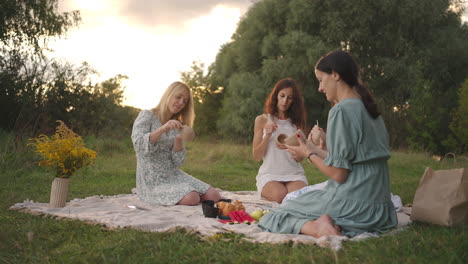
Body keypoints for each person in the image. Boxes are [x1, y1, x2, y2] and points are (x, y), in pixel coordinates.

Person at [259, 50, 398, 238]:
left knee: (275, 216)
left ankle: (319, 227)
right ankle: (323, 221)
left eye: (321, 79)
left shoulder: (341, 111)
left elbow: (338, 174)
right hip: (380, 210)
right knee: (304, 199)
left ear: (335, 75)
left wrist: (308, 154)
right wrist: (312, 149)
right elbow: (353, 160)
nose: (320, 88)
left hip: (355, 204)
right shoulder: (370, 109)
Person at [131, 81, 220, 206]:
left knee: (214, 195)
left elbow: (178, 162)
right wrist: (162, 129)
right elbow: (138, 145)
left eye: (184, 101)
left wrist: (178, 140)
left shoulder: (177, 124)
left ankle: (186, 191)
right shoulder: (147, 115)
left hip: (173, 174)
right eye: (178, 97)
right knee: (192, 198)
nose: (181, 103)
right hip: (152, 180)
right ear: (169, 94)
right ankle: (187, 193)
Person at [252, 78, 309, 203]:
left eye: (290, 98)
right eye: (282, 96)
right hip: (269, 174)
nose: (285, 101)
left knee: (298, 198)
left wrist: (295, 151)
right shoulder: (262, 120)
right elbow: (256, 156)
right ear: (276, 96)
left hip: (294, 174)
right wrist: (267, 135)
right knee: (280, 196)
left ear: (294, 101)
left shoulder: (298, 123)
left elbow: (300, 158)